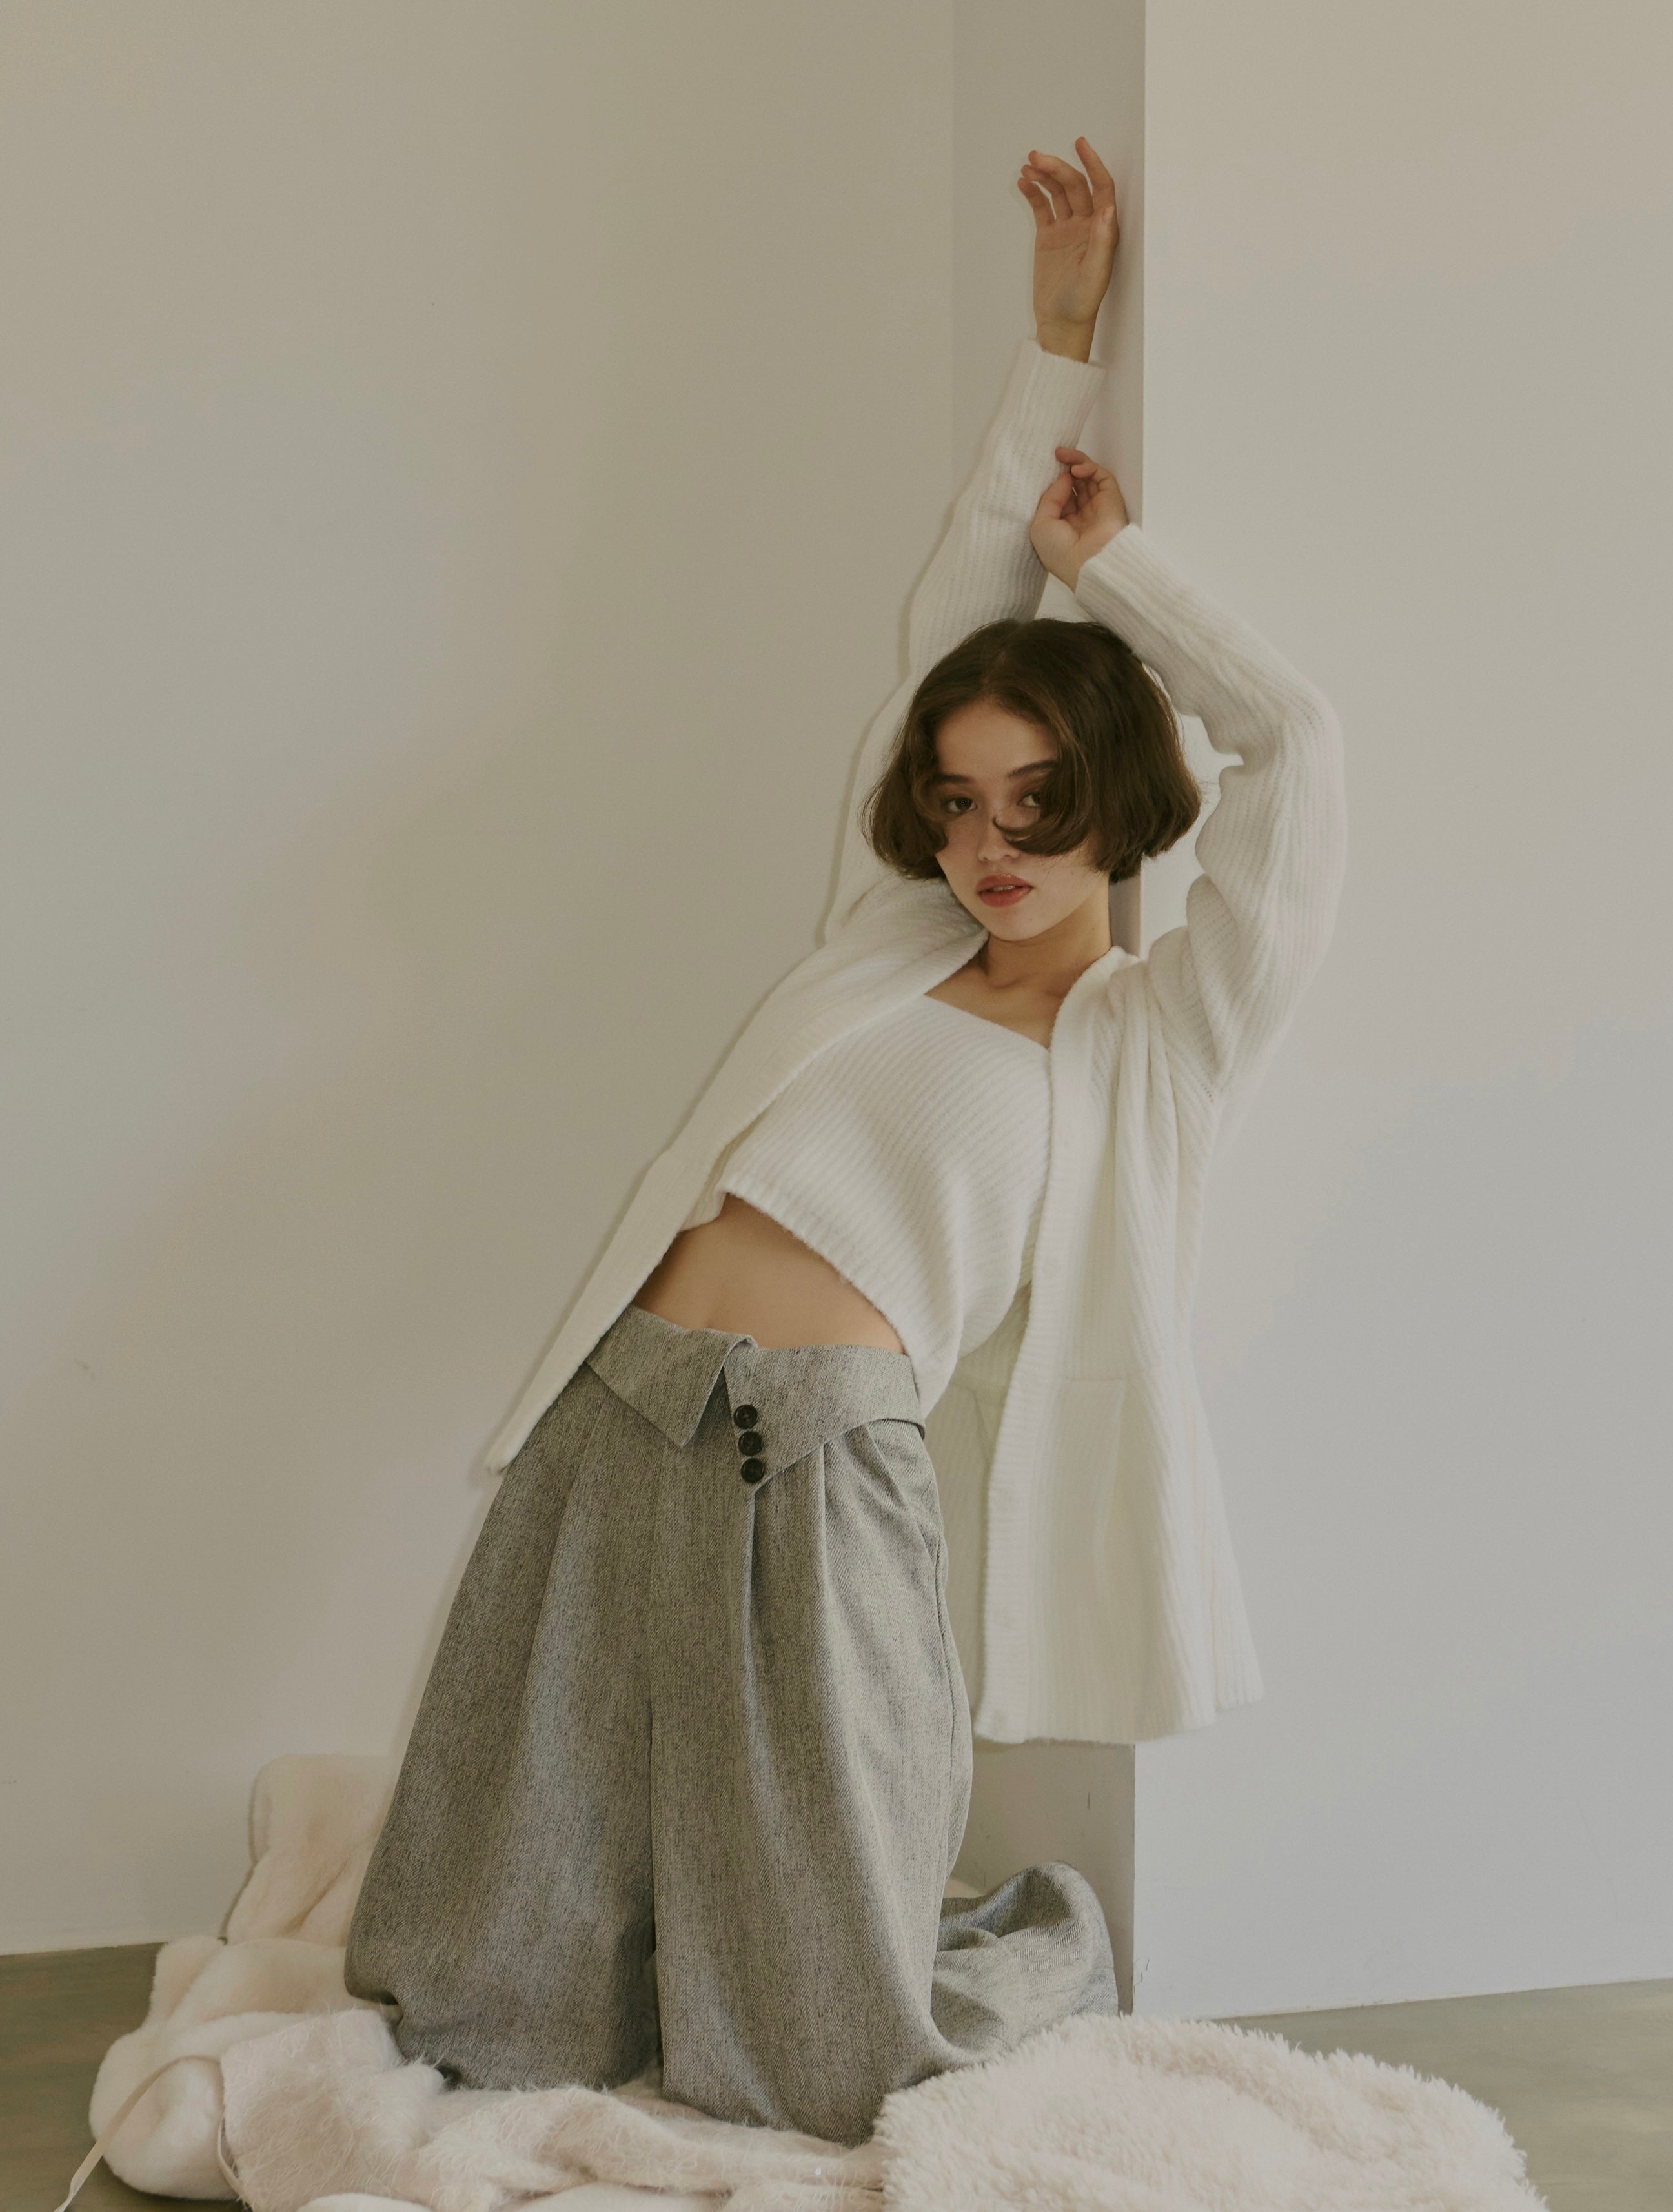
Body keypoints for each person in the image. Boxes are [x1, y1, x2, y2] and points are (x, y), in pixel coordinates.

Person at [343, 136, 1346, 2147]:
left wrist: (1113, 573)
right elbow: (946, 612)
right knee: (486, 1979)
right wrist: (1055, 348)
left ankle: (1025, 1948)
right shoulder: (884, 941)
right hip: (629, 1399)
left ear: (1121, 798)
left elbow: (1301, 743)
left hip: (823, 1459)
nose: (988, 844)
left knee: (819, 2037)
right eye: (960, 801)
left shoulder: (1153, 1040)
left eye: (1038, 801)